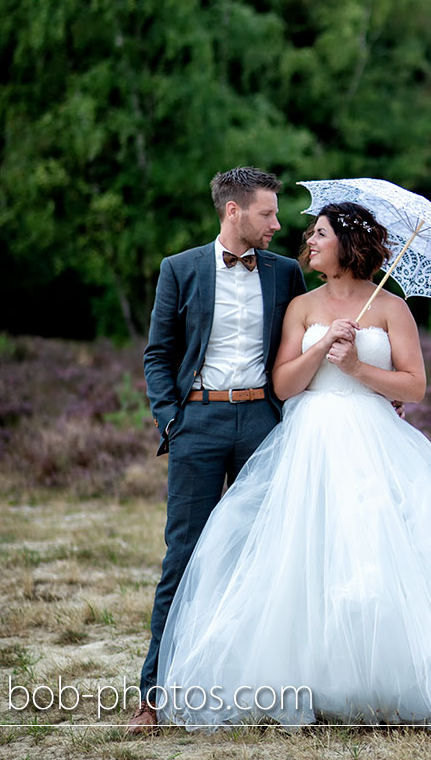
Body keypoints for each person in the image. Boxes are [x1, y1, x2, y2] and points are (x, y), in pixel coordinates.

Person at [152, 202, 431, 731]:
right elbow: (283, 384)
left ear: (348, 245)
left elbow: (415, 386)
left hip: (374, 438)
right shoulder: (302, 306)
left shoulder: (391, 309)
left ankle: (388, 677)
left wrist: (357, 367)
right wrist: (324, 349)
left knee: (378, 555)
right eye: (309, 233)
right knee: (302, 557)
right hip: (309, 440)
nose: (308, 241)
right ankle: (308, 678)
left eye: (320, 234)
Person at [132, 167, 308, 733]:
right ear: (233, 211)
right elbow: (158, 354)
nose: (278, 224)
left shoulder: (286, 274)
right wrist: (172, 421)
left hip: (263, 420)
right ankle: (154, 697)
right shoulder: (179, 269)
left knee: (266, 556)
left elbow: (304, 345)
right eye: (267, 213)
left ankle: (261, 690)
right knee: (182, 557)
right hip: (199, 422)